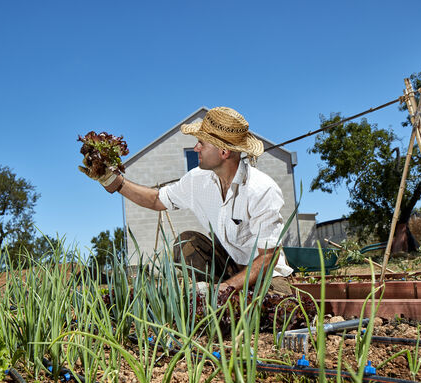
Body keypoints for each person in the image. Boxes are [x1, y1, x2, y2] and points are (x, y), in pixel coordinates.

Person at [83, 106, 293, 297]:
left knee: (274, 306)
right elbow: (157, 199)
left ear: (223, 151)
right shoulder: (197, 180)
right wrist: (115, 182)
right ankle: (212, 300)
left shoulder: (261, 189)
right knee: (187, 242)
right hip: (230, 267)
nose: (195, 148)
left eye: (201, 143)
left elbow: (268, 258)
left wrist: (226, 288)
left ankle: (226, 297)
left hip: (266, 275)